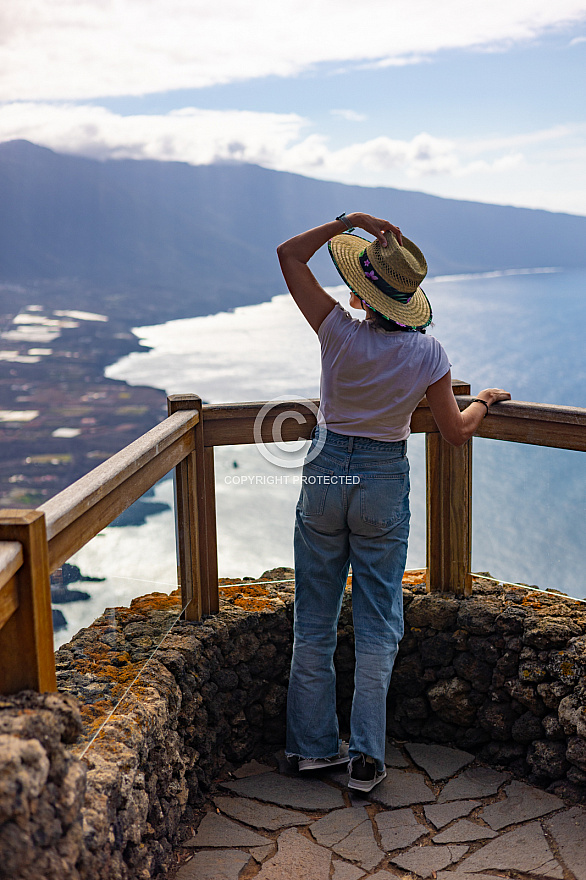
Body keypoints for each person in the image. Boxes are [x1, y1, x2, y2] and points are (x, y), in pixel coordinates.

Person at [277, 211, 510, 792]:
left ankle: (309, 750)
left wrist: (347, 221)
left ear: (364, 287)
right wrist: (481, 401)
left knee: (314, 622)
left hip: (326, 476)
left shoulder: (337, 330)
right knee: (379, 624)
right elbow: (455, 432)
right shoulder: (429, 355)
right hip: (383, 482)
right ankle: (364, 760)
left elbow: (287, 256)